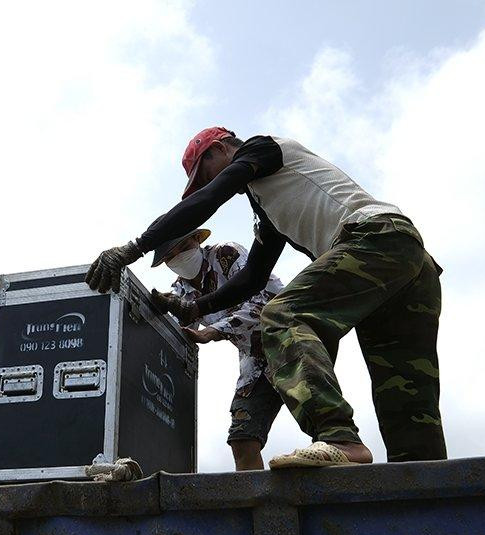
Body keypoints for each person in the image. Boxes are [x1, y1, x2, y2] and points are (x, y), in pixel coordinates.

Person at [86, 127, 446, 468]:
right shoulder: (269, 206)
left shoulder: (264, 148)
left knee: (283, 316)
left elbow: (209, 199)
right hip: (407, 264)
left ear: (221, 147)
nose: (207, 183)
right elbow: (253, 276)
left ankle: (339, 437)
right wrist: (197, 307)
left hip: (375, 237)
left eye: (205, 173)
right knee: (404, 390)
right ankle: (428, 485)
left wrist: (135, 247)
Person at [151, 228, 284, 470]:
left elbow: (262, 301)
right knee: (242, 439)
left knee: (322, 422)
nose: (180, 256)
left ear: (196, 240)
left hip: (290, 341)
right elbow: (181, 334)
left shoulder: (226, 255)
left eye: (184, 246)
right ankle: (253, 500)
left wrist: (213, 331)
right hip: (254, 362)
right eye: (171, 255)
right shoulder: (182, 291)